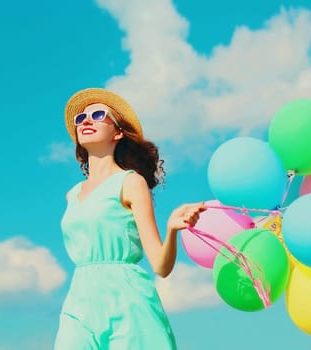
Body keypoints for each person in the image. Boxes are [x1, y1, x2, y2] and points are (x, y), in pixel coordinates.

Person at [54, 87, 206, 350]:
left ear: (117, 132)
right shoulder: (72, 194)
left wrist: (171, 230)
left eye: (98, 115)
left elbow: (160, 265)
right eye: (81, 118)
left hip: (126, 300)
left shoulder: (131, 182)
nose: (86, 121)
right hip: (79, 300)